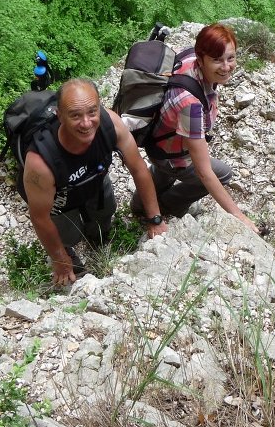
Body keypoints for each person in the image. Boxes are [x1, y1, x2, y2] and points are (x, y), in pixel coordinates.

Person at [23, 78, 168, 288]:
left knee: (104, 213)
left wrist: (155, 219)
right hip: (59, 201)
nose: (86, 123)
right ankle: (71, 256)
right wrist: (59, 258)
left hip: (95, 182)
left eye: (92, 112)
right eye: (75, 115)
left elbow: (138, 168)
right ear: (59, 115)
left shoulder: (111, 124)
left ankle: (98, 239)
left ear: (100, 107)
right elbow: (39, 217)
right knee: (68, 235)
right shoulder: (41, 162)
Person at [131, 23, 259, 233]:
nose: (226, 67)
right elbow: (204, 172)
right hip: (171, 154)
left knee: (164, 170)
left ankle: (140, 205)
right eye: (217, 60)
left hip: (159, 143)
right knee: (222, 174)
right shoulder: (190, 104)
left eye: (231, 57)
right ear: (201, 59)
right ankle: (167, 205)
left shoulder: (190, 58)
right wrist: (238, 215)